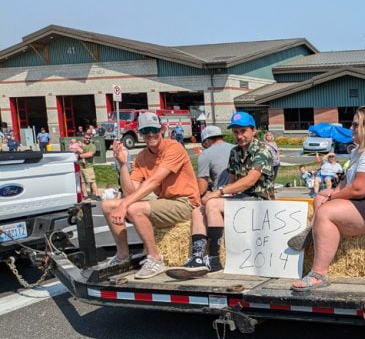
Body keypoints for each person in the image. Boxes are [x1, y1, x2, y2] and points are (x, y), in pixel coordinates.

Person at [289, 106, 365, 291]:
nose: (351, 128)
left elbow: (360, 189)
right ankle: (317, 231)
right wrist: (331, 193)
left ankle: (319, 273)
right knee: (320, 198)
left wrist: (333, 197)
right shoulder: (360, 150)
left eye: (355, 125)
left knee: (326, 212)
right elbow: (347, 182)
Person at [166, 112, 273, 278]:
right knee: (198, 210)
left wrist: (218, 193)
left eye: (243, 131)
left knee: (213, 204)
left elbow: (250, 181)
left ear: (254, 131)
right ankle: (198, 257)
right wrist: (218, 193)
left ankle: (215, 259)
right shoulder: (235, 152)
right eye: (236, 132)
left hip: (260, 201)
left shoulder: (263, 150)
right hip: (241, 199)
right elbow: (232, 180)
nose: (239, 136)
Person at [102, 112, 201, 279]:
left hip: (185, 202)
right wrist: (123, 165)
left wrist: (124, 205)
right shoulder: (142, 156)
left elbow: (154, 182)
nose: (150, 134)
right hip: (165, 201)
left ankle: (155, 258)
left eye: (154, 130)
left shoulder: (174, 147)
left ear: (162, 129)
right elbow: (130, 192)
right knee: (107, 205)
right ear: (140, 133)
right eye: (146, 131)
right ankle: (123, 255)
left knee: (134, 208)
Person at [196, 125, 234, 192]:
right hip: (243, 190)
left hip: (222, 194)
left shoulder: (205, 154)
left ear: (207, 141)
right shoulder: (236, 148)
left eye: (204, 145)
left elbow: (202, 189)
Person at [77, 132, 101, 200]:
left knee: (92, 180)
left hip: (88, 166)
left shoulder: (92, 146)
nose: (88, 139)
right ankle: (85, 195)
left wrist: (79, 155)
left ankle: (97, 195)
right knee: (82, 181)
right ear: (83, 138)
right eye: (86, 138)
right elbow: (74, 150)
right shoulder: (80, 145)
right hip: (80, 165)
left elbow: (90, 154)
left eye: (89, 138)